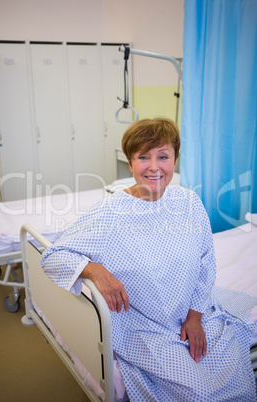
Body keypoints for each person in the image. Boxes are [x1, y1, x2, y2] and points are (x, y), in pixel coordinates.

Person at [41, 118, 256, 401]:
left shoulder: (188, 202)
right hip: (143, 325)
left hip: (190, 313)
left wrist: (194, 317)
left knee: (232, 377)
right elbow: (52, 256)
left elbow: (206, 261)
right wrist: (93, 269)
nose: (154, 167)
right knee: (199, 392)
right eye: (143, 157)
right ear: (130, 164)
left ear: (175, 161)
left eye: (163, 156)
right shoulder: (111, 213)